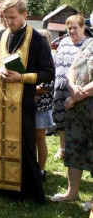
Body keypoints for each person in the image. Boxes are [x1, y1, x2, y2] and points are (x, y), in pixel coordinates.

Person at [0, 0, 54, 204]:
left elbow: (48, 72)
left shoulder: (37, 40)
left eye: (12, 17)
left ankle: (21, 192)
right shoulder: (0, 35)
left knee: (23, 145)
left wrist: (22, 77)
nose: (8, 22)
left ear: (24, 14)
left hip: (23, 103)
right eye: (5, 17)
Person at [50, 24, 93, 209]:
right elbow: (73, 68)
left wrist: (78, 94)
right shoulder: (88, 44)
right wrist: (72, 88)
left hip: (86, 104)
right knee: (74, 147)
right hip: (77, 109)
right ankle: (71, 192)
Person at [52, 15, 89, 160]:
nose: (72, 31)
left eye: (75, 28)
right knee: (61, 120)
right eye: (69, 28)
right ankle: (62, 149)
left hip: (79, 91)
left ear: (83, 28)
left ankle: (80, 153)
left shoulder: (88, 45)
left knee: (79, 122)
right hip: (60, 88)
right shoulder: (64, 42)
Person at [34, 29, 55, 181]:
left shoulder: (48, 61)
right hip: (30, 104)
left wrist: (29, 89)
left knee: (40, 139)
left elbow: (47, 85)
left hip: (41, 106)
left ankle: (41, 170)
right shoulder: (34, 58)